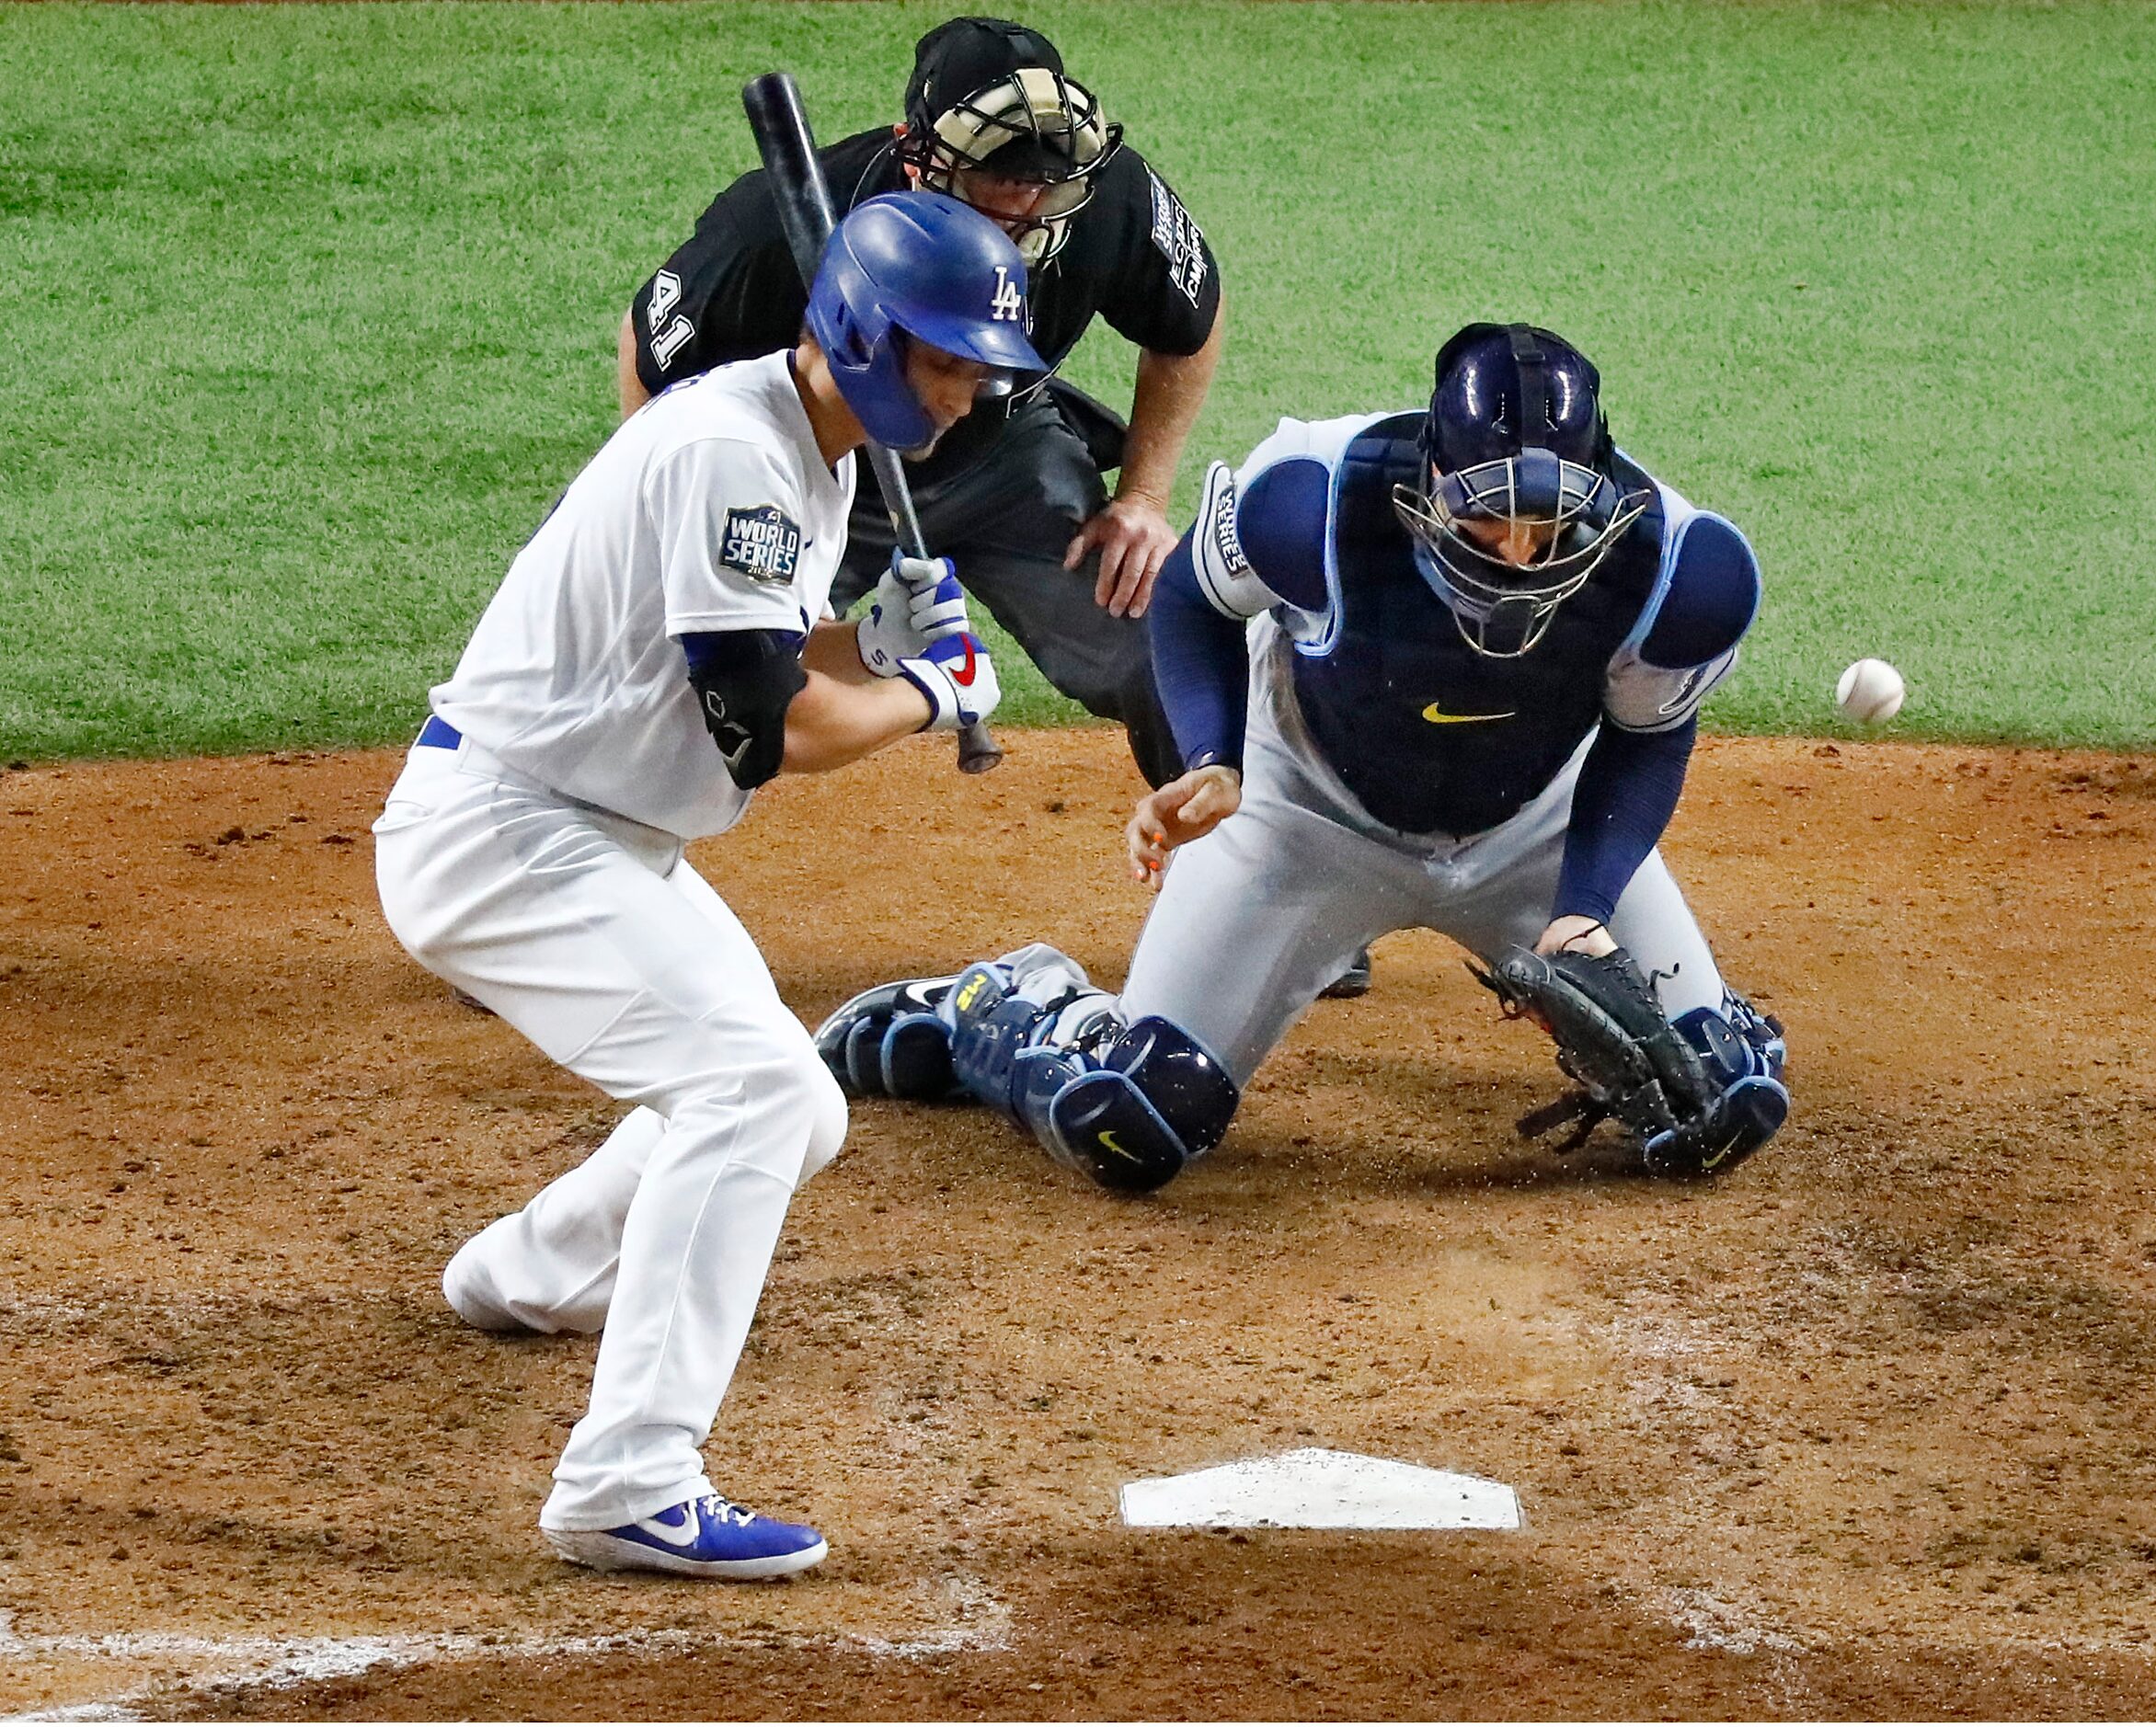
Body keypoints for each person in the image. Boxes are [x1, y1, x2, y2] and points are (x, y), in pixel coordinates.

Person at [374, 193, 1038, 1578]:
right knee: (758, 1095)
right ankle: (626, 1482)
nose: (971, 393)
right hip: (507, 831)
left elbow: (773, 658)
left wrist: (867, 640)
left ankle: (530, 1270)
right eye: (948, 359)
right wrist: (924, 689)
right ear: (860, 335)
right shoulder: (737, 450)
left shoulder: (812, 447)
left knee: (786, 1109)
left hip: (593, 826)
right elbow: (773, 730)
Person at [813, 323, 1790, 1194]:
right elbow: (1194, 599)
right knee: (1131, 1121)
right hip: (1304, 818)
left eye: (1547, 513)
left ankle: (1703, 1012)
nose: (1522, 549)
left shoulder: (1681, 567)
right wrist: (1213, 758)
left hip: (1537, 826)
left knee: (1713, 1105)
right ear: (1433, 472)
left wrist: (1582, 909)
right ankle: (1005, 1008)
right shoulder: (1315, 499)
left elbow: (1646, 735)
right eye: (1488, 510)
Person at [624, 15, 1222, 792]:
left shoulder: (1107, 200)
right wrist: (675, 517)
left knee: (1158, 639)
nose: (1028, 204)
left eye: (1044, 179)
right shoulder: (780, 226)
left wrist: (1142, 496)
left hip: (1008, 455)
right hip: (824, 471)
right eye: (1001, 177)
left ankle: (1217, 857)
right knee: (707, 675)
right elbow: (649, 347)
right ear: (920, 156)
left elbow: (1191, 324)